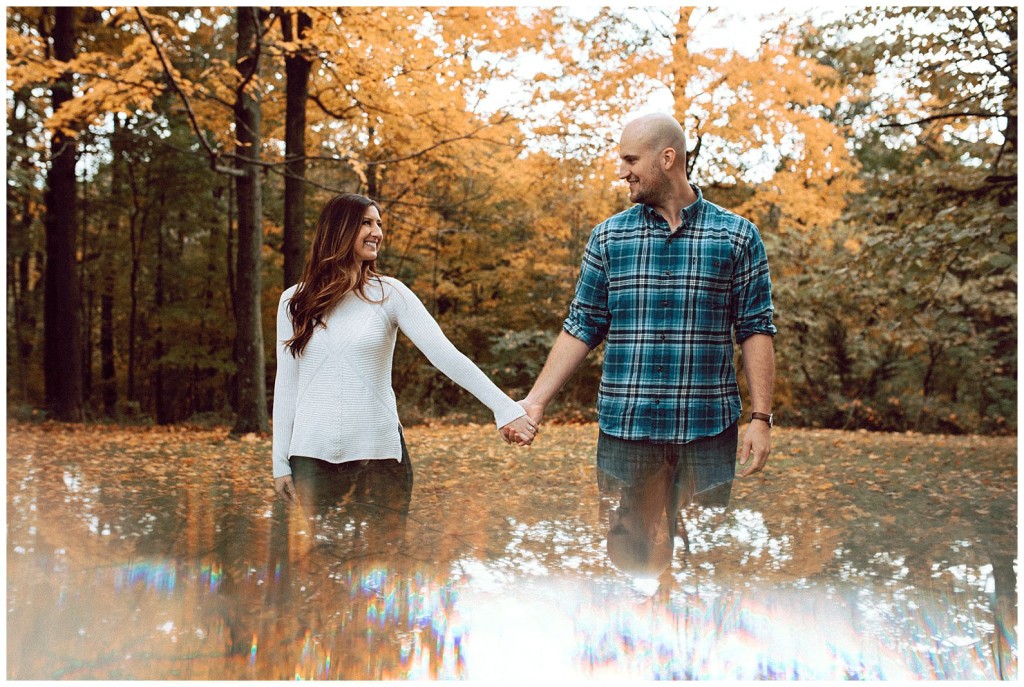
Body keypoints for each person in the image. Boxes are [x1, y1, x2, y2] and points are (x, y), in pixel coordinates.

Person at [506, 112, 776, 497]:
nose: (621, 171)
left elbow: (755, 329)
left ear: (666, 159)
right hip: (625, 438)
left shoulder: (736, 236)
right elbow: (582, 325)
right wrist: (535, 401)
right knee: (626, 557)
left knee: (703, 553)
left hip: (707, 435)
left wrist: (761, 419)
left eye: (630, 160)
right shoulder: (609, 238)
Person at [273, 193, 536, 506]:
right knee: (316, 556)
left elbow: (445, 355)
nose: (378, 233)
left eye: (379, 224)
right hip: (311, 460)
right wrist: (280, 461)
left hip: (380, 460)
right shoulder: (294, 301)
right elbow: (287, 386)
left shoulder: (391, 294)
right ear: (339, 230)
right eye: (366, 223)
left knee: (385, 556)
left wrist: (505, 408)